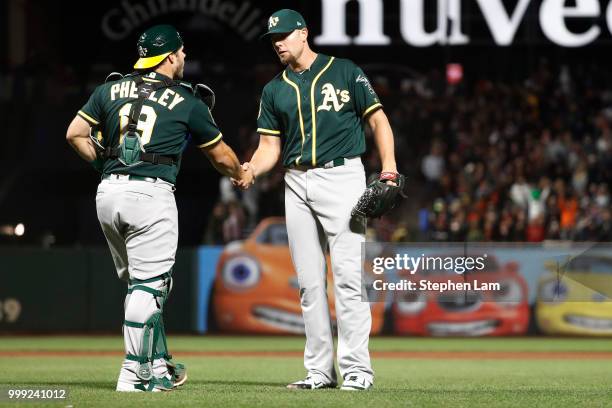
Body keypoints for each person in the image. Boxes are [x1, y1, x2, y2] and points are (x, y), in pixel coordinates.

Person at [66, 24, 251, 392]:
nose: (184, 58)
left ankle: (156, 365)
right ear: (169, 56)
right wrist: (241, 174)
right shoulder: (186, 101)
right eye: (181, 53)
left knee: (142, 285)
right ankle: (134, 375)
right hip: (150, 196)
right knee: (149, 287)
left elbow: (74, 133)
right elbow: (221, 155)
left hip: (108, 195)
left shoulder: (109, 89)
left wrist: (103, 165)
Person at [236, 9, 398, 391]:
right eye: (273, 38)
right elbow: (269, 148)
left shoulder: (344, 71)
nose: (278, 42)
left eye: (285, 35)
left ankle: (357, 370)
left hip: (342, 176)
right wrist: (251, 170)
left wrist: (388, 168)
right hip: (295, 181)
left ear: (304, 34)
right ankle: (320, 372)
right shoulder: (274, 90)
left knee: (346, 279)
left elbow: (378, 120)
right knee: (309, 284)